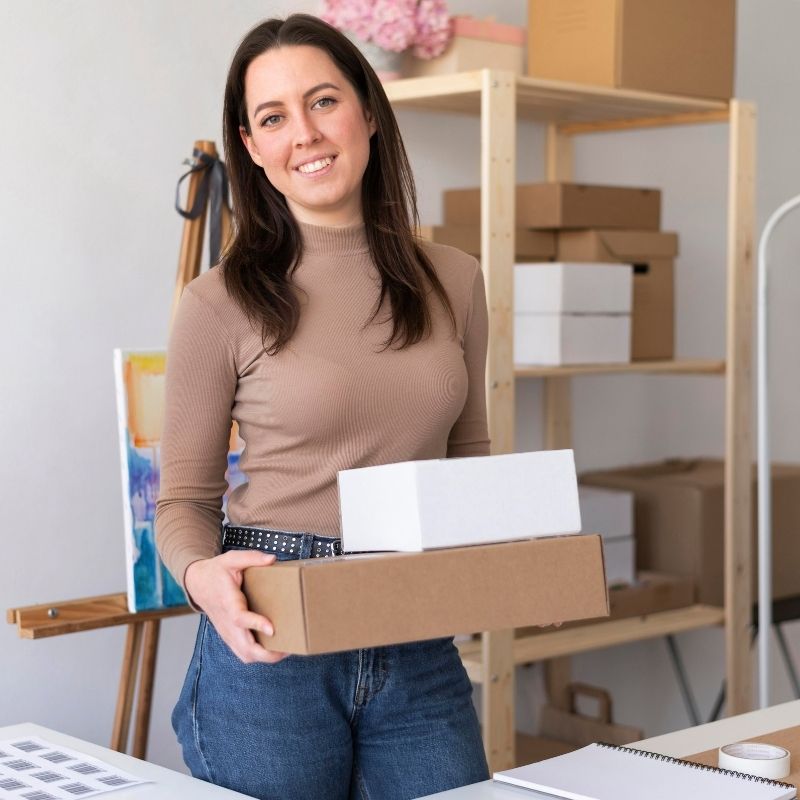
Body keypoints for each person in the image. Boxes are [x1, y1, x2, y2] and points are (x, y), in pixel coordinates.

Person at [155, 13, 490, 800]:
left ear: (368, 111)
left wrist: (519, 570)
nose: (303, 133)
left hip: (415, 629)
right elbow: (183, 501)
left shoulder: (458, 280)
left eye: (323, 102)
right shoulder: (217, 304)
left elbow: (470, 459)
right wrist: (204, 578)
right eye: (273, 117)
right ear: (252, 147)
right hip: (272, 632)